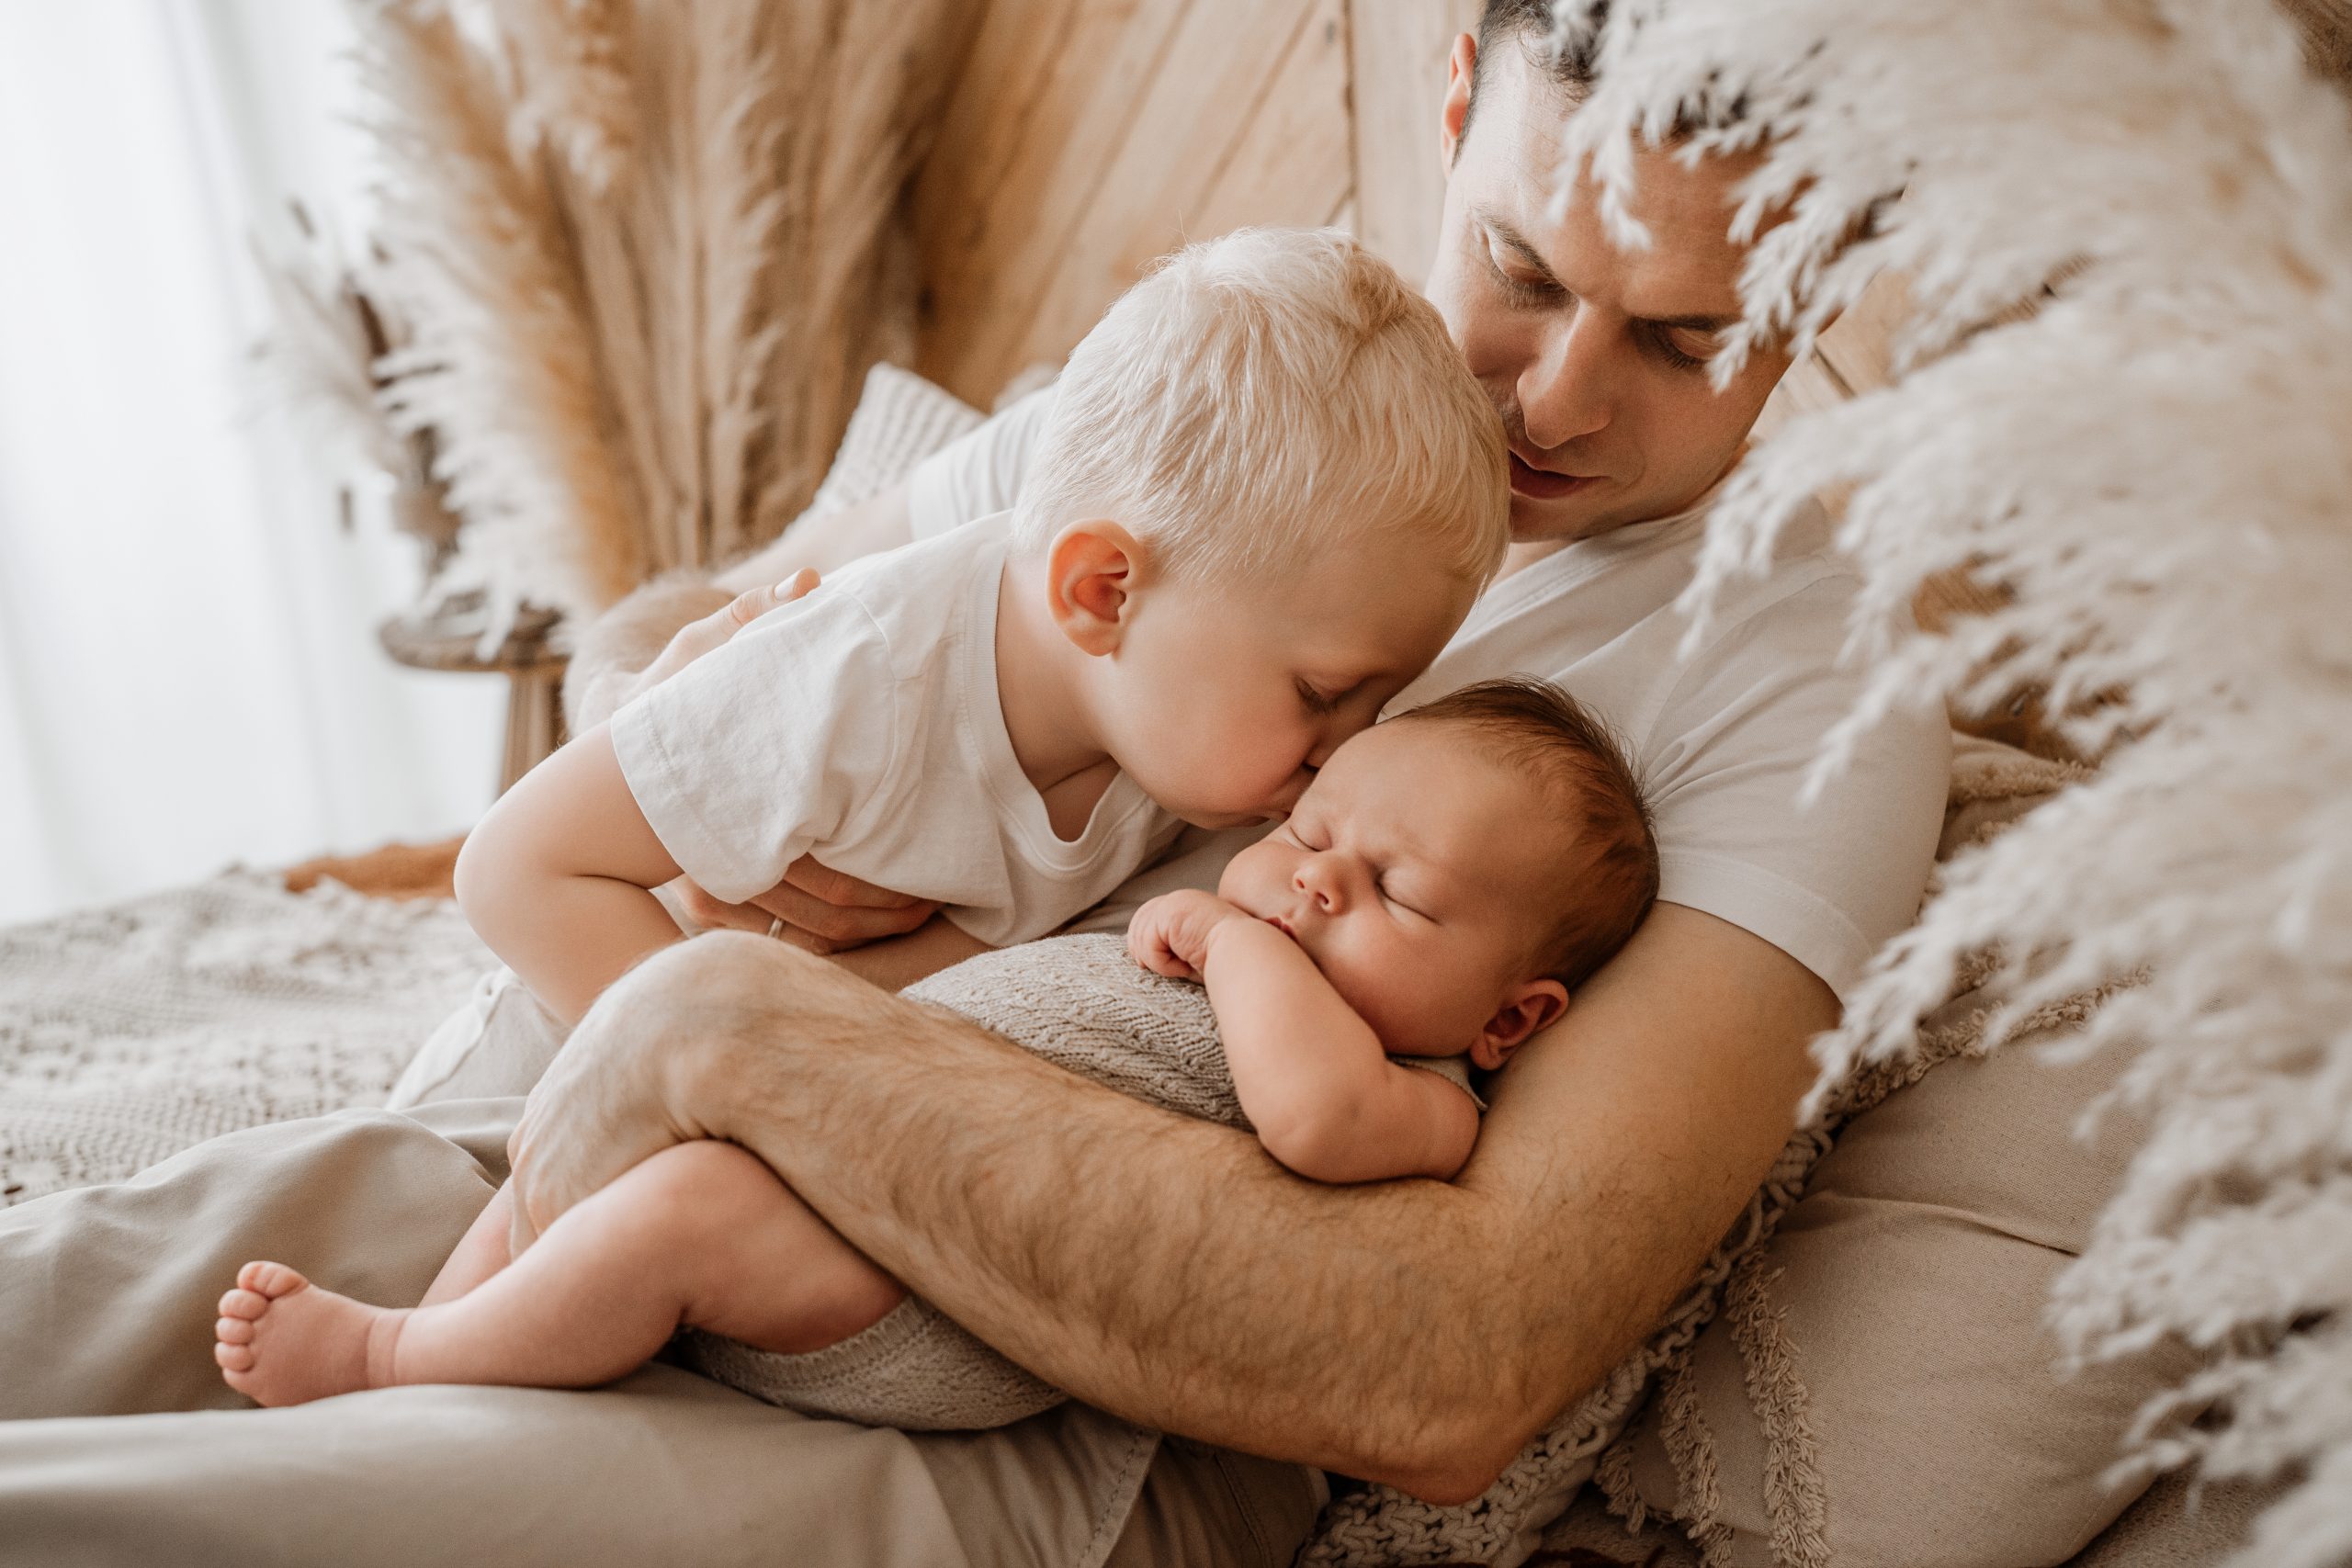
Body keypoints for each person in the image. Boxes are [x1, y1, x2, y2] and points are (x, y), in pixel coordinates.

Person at [0, 7, 1952, 1564]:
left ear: (1820, 290)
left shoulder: (1808, 692)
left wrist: (737, 1019)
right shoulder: (1264, 374)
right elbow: (720, 635)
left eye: (1688, 339)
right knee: (67, 1309)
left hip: (1017, 1400)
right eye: (1521, 268)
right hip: (573, 1100)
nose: (1549, 401)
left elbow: (1453, 1361)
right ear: (1453, 91)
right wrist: (698, 775)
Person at [213, 681, 1659, 1432]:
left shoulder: (1424, 1097)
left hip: (944, 1300)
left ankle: (410, 1363)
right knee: (598, 1099)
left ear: (1511, 1017)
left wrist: (1240, 947)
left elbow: (1314, 1126)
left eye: (1395, 893)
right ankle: (461, 1306)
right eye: (1308, 833)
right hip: (851, 1164)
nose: (1316, 883)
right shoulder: (1239, 930)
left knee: (683, 1210)